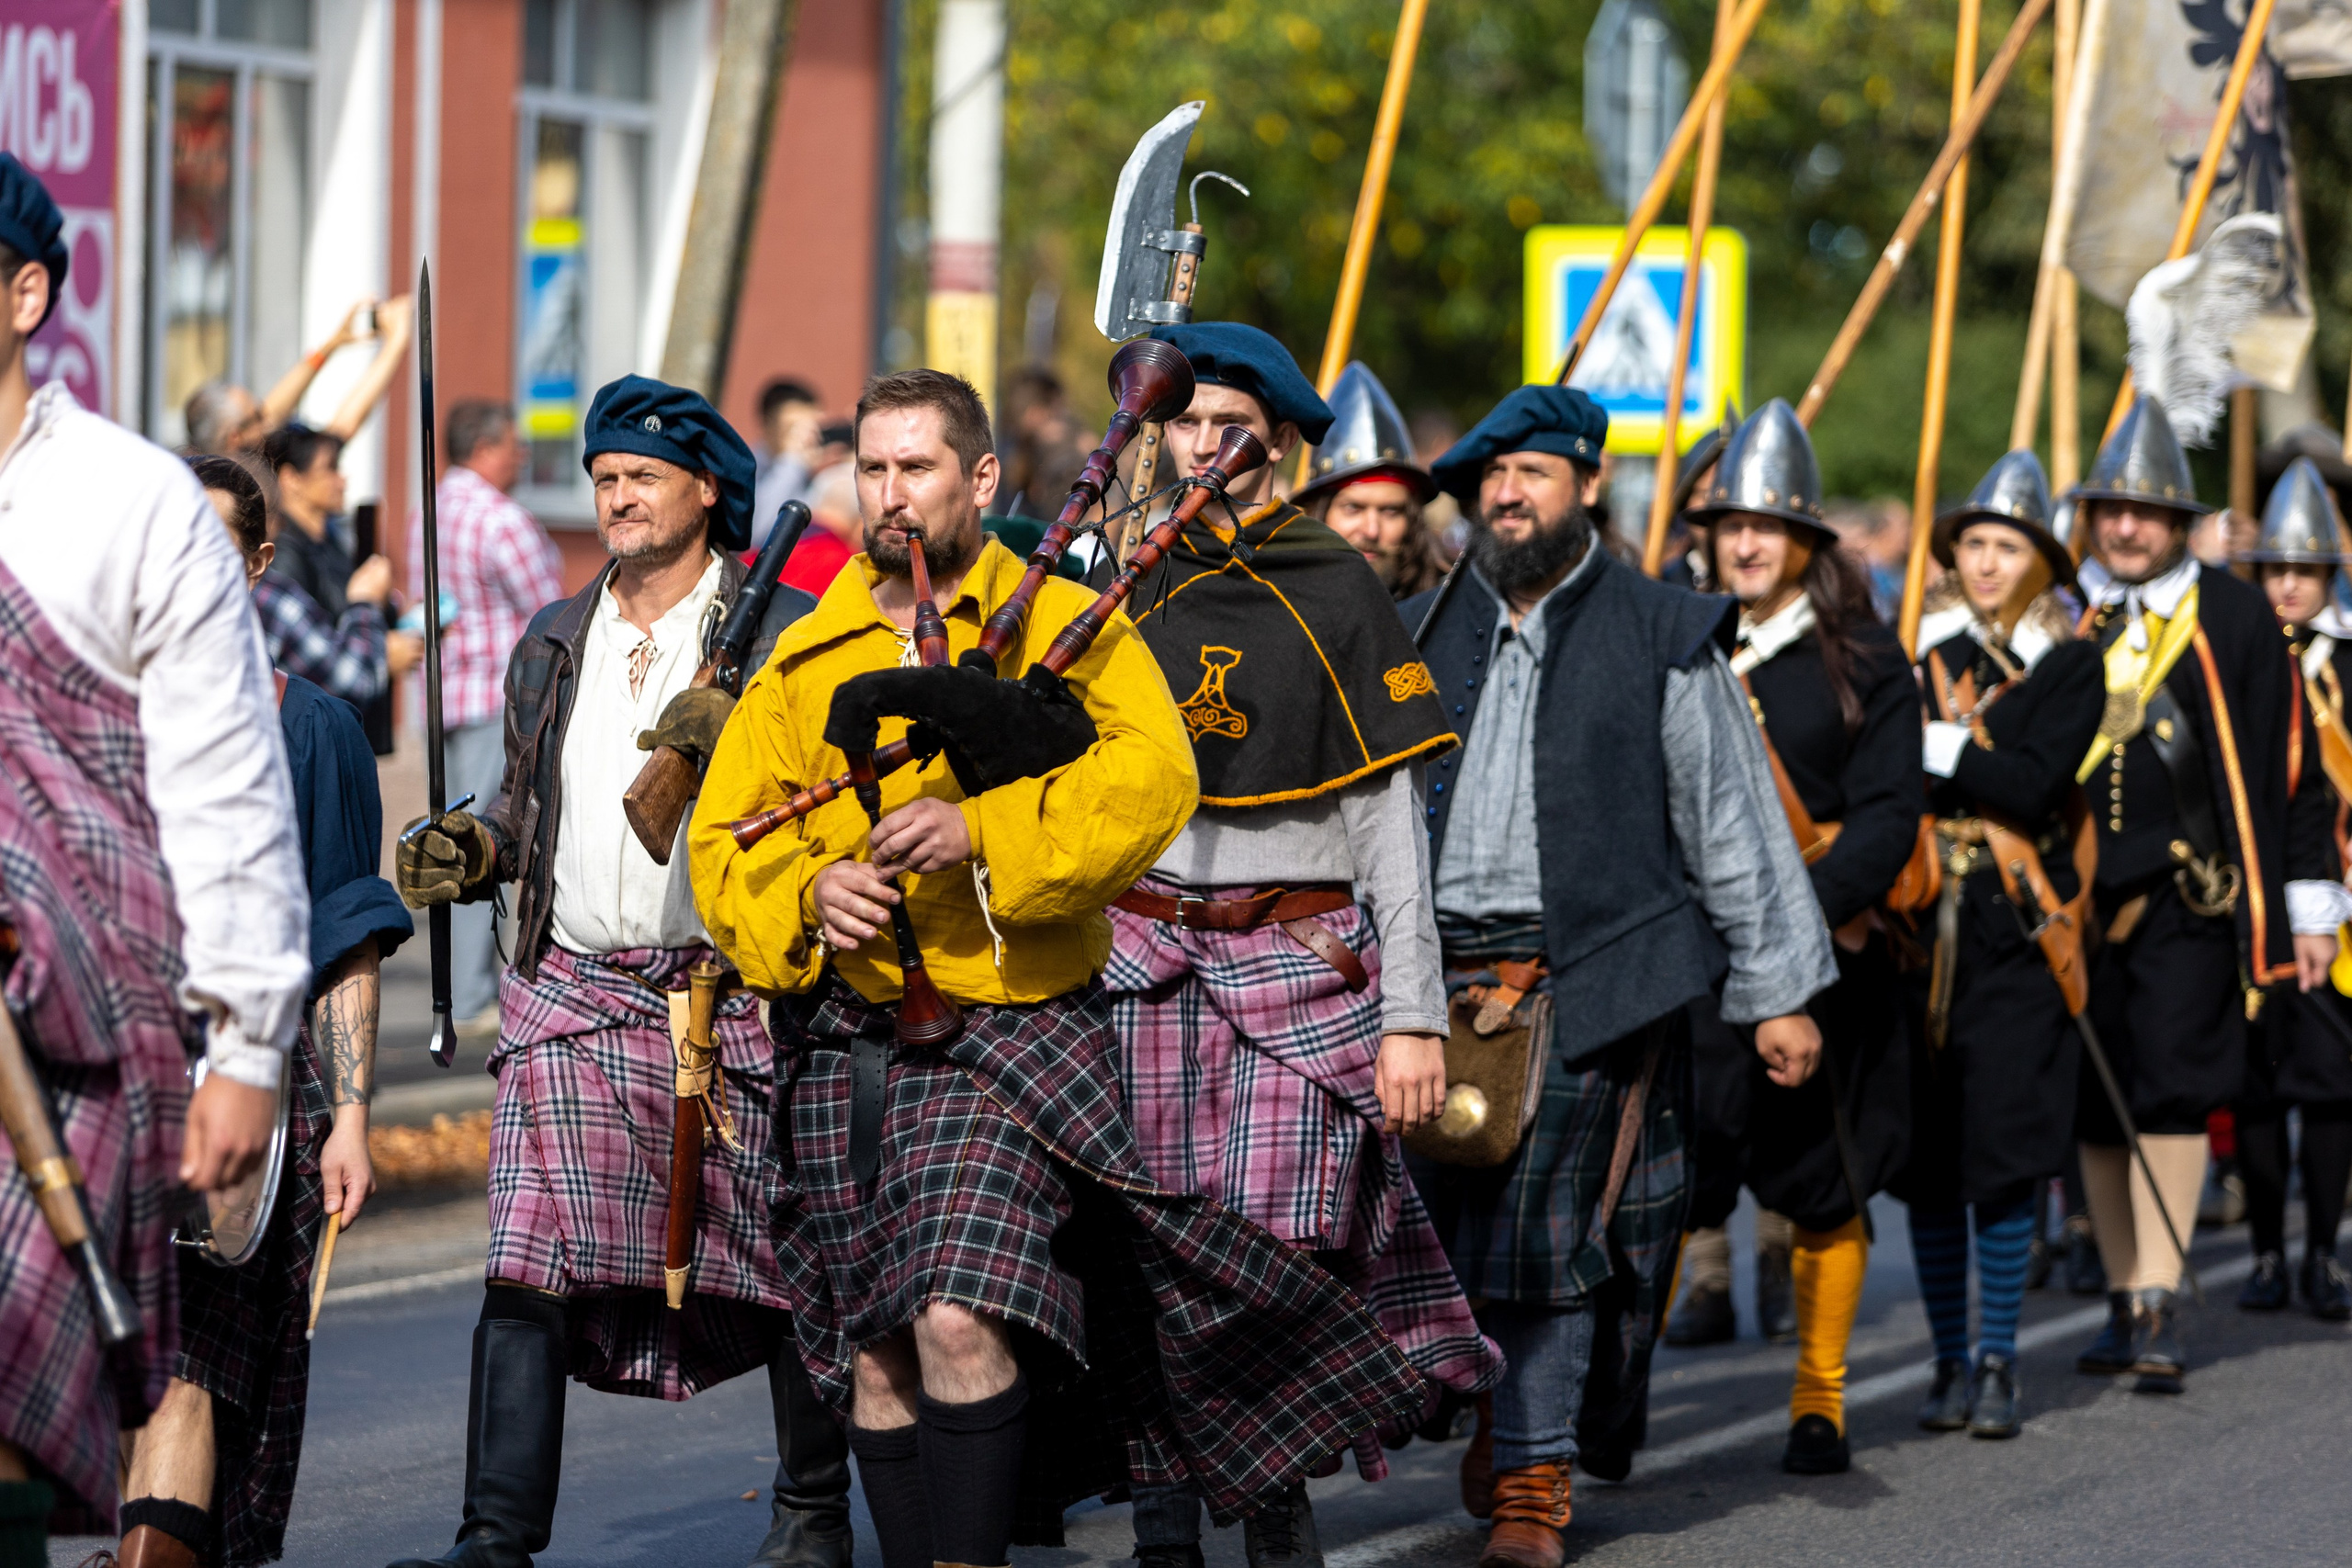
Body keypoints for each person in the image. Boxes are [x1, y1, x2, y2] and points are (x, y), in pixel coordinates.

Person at [689, 368, 1429, 1568]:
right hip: (845, 1037)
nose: (890, 492)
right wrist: (808, 891)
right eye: (872, 467)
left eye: (916, 467)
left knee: (953, 1312)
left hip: (1008, 1028)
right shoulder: (803, 653)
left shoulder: (1058, 621)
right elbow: (724, 846)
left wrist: (985, 830)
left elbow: (1150, 780)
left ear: (978, 478)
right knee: (874, 1346)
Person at [386, 375, 848, 1568]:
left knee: (785, 1259)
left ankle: (810, 1515)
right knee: (526, 1259)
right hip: (572, 990)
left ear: (706, 489)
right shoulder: (553, 635)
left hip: (731, 996)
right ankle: (494, 1538)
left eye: (641, 475)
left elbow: (828, 805)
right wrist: (475, 843)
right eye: (602, 478)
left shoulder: (787, 633)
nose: (618, 497)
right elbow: (523, 799)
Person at [1403, 385, 1836, 1568]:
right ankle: (1503, 1419)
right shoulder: (1422, 627)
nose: (1507, 495)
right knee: (1442, 1240)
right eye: (1492, 479)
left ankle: (1535, 1476)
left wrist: (1777, 993)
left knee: (1548, 1249)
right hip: (1427, 983)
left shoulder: (1659, 627)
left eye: (1533, 475)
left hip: (1592, 980)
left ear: (1586, 487)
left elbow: (1732, 824)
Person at [1100, 324, 1502, 1566]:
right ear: (1158, 434)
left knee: (1279, 1243)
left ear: (1276, 441)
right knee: (1154, 1255)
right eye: (1185, 420)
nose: (1208, 444)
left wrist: (1414, 1015)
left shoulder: (1335, 581)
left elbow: (1389, 824)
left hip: (1300, 963)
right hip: (1140, 962)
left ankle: (1274, 1499)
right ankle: (1167, 1513)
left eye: (1232, 424)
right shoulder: (1113, 580)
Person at [0, 152, 308, 1564]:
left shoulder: (135, 504)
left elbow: (226, 785)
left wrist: (253, 1040)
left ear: (24, 292)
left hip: (83, 1034)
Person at [113, 455, 414, 1568]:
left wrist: (348, 1111)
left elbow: (343, 936)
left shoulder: (311, 728)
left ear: (256, 562)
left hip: (237, 1094)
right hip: (98, 1090)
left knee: (191, 1373)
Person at [2066, 396, 2337, 1395]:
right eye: (2109, 510)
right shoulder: (2076, 613)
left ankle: (2160, 1290)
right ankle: (2115, 1286)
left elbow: (2293, 767)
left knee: (2173, 1086)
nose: (2124, 527)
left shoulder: (2231, 615)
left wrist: (2307, 900)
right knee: (2097, 1098)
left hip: (2194, 897)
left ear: (2178, 520)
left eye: (2142, 511)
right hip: (2085, 900)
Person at [1681, 400, 1921, 1475]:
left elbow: (1884, 817)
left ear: (1805, 542)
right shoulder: (1674, 642)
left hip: (1824, 958)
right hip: (1692, 962)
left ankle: (1818, 1399)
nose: (1743, 542)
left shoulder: (1865, 658)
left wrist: (1791, 922)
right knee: (1678, 1175)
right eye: (1728, 522)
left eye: (1765, 526)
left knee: (1822, 1180)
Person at [1895, 450, 2102, 1440]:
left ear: (2041, 562)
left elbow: (2029, 783)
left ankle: (1997, 1358)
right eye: (1971, 544)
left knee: (2004, 1147)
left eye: (2003, 545)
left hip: (2014, 929)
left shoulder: (2071, 662)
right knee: (1930, 1154)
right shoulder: (1920, 650)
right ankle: (1942, 1356)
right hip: (1920, 920)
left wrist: (1952, 754)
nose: (1982, 562)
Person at [2233, 456, 2352, 1319]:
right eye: (2274, 569)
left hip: (2343, 901)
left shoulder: (2348, 660)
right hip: (2252, 895)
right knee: (2259, 1084)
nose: (2286, 586)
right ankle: (2268, 1250)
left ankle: (2323, 1252)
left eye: (2303, 572)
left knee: (2333, 1084)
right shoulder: (2240, 657)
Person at [405, 399, 565, 1040]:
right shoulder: (502, 520)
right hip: (492, 703)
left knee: (447, 840)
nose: (521, 456)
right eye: (513, 444)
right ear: (487, 447)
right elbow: (551, 613)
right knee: (480, 844)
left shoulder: (431, 507)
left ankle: (458, 988)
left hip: (441, 696)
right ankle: (471, 996)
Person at [263, 422, 424, 716]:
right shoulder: (282, 556)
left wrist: (401, 614)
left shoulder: (332, 541)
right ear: (291, 479)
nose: (342, 480)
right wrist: (380, 653)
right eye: (331, 468)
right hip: (312, 722)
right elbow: (303, 657)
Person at [1293, 359, 1451, 600]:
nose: (1371, 530)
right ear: (1320, 512)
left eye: (1391, 511)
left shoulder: (1443, 609)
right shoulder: (1279, 604)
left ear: (1412, 520)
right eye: (1353, 508)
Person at [183, 294, 416, 457]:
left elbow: (272, 410)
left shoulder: (210, 477)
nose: (268, 418)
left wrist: (333, 344)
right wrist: (396, 341)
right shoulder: (258, 478)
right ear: (235, 437)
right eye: (257, 416)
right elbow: (340, 430)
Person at [752, 376, 824, 541]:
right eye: (792, 428)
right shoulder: (744, 471)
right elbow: (757, 534)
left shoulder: (816, 475)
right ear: (766, 424)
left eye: (810, 427)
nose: (804, 437)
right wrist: (792, 462)